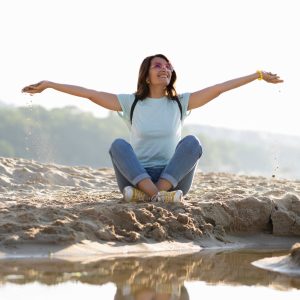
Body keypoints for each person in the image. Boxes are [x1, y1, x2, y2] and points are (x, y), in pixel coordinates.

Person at [22, 54, 283, 203]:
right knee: (118, 146)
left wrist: (257, 75)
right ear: (146, 75)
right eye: (158, 66)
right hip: (136, 174)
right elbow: (90, 94)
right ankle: (157, 195)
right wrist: (50, 84)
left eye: (167, 66)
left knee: (192, 142)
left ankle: (150, 195)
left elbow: (218, 89)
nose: (165, 69)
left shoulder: (180, 103)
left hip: (173, 176)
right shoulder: (131, 103)